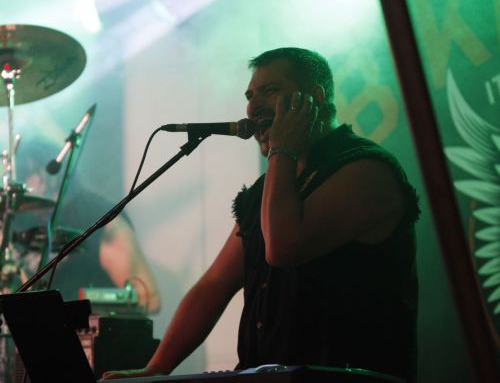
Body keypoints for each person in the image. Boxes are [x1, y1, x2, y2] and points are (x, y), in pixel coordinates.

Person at [103, 47, 419, 381]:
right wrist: (155, 370)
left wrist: (281, 148)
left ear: (313, 98)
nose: (253, 107)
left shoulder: (366, 170)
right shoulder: (266, 189)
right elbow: (214, 286)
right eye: (249, 96)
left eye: (270, 91)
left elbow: (283, 248)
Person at [10, 139, 161, 315]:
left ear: (51, 174)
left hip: (88, 328)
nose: (22, 182)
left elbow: (149, 299)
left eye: (26, 172)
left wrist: (82, 299)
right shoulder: (17, 219)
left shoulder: (98, 217)